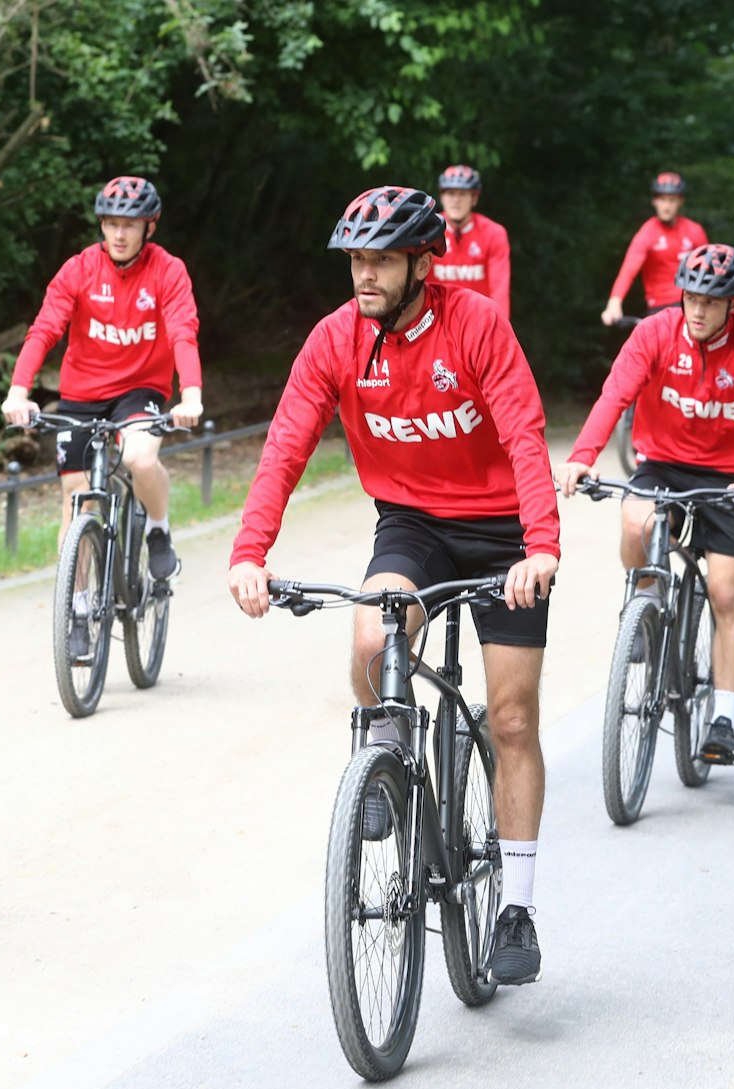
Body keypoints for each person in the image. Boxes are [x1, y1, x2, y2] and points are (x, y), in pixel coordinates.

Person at [227, 186, 560, 985]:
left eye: (379, 260)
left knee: (511, 717)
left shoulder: (475, 324)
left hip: (500, 532)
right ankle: (387, 755)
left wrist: (540, 546)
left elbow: (523, 432)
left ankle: (515, 905)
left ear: (421, 262)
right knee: (373, 634)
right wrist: (249, 548)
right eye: (355, 260)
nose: (363, 275)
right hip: (410, 523)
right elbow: (285, 444)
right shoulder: (336, 340)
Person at [557, 245, 734, 766]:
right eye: (690, 297)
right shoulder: (655, 332)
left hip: (730, 477)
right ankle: (645, 604)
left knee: (726, 593)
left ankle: (722, 717)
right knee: (636, 521)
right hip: (662, 463)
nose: (697, 310)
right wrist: (582, 457)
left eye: (710, 301)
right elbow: (615, 395)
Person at [0, 176, 204, 645]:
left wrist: (190, 395)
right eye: (111, 223)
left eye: (129, 225)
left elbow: (182, 333)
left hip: (140, 390)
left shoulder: (168, 271)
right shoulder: (78, 270)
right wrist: (18, 391)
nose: (118, 234)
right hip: (81, 393)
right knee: (77, 497)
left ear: (148, 228)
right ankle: (76, 607)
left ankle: (157, 528)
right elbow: (45, 329)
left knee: (138, 458)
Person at [600, 172, 709, 325]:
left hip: (691, 304)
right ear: (654, 201)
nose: (666, 205)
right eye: (662, 199)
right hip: (659, 308)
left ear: (680, 201)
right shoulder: (647, 232)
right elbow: (629, 270)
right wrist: (614, 302)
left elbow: (709, 271)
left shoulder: (694, 231)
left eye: (672, 200)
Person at [433, 164, 512, 319]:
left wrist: (499, 326)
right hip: (436, 319)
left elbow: (499, 290)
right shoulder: (429, 230)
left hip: (478, 318)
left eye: (463, 194)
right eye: (450, 193)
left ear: (474, 198)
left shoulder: (494, 233)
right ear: (442, 197)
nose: (456, 200)